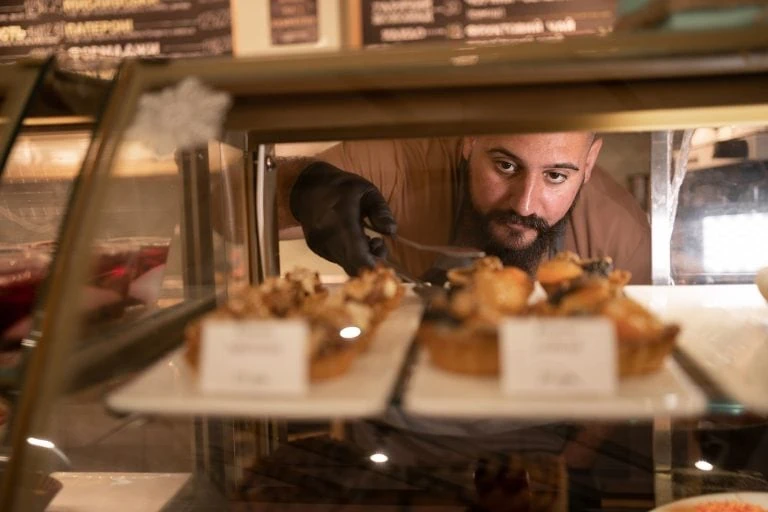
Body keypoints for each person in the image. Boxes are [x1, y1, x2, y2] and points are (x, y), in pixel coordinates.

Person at [280, 132, 651, 283]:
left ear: (589, 162)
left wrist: (577, 455)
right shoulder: (404, 164)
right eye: (505, 166)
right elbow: (227, 214)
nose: (523, 205)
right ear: (470, 139)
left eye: (556, 176)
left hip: (546, 433)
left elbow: (635, 369)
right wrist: (301, 186)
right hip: (396, 428)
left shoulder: (619, 233)